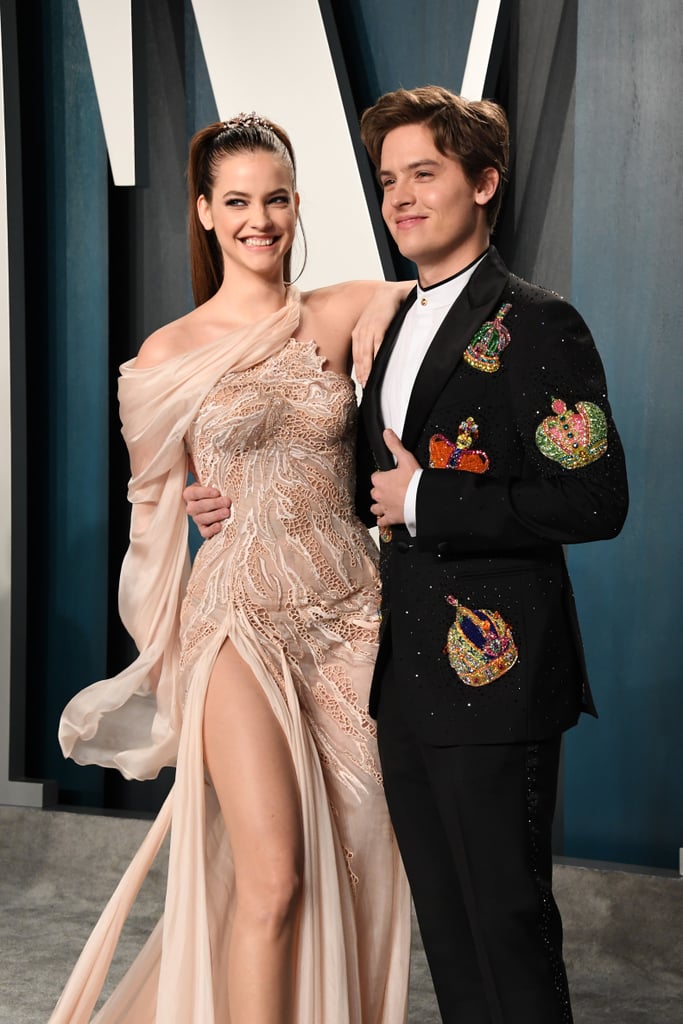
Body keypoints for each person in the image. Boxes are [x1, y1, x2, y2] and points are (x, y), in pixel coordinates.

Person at [187, 87, 629, 1024]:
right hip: (395, 673)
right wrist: (226, 497)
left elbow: (594, 499)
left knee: (506, 921)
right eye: (388, 181)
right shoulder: (387, 326)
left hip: (497, 672)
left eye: (423, 174)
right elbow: (349, 477)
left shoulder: (541, 323)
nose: (400, 198)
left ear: (484, 183)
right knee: (449, 933)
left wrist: (429, 498)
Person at [50, 113, 412, 1024]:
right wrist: (184, 503)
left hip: (351, 618)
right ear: (205, 212)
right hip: (237, 618)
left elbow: (431, 289)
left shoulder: (335, 310)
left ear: (297, 205)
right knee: (275, 875)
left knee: (360, 856)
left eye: (277, 198)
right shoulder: (166, 357)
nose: (261, 219)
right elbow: (150, 505)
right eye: (239, 201)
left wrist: (382, 302)